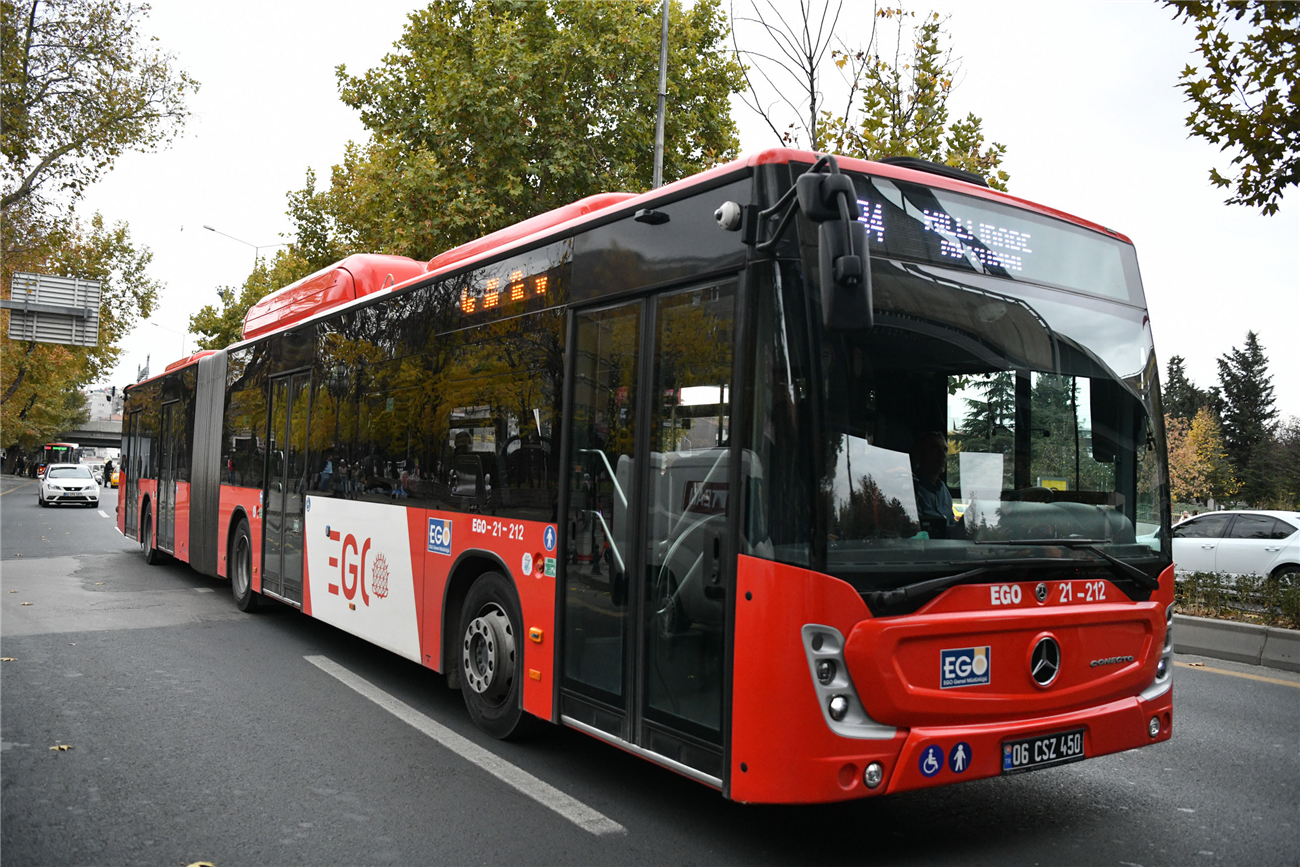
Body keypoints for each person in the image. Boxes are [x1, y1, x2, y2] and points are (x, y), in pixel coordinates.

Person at [912, 431, 958, 536]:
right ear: (920, 455)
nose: (942, 455)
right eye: (935, 449)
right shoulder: (913, 488)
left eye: (945, 450)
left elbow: (951, 522)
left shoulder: (943, 489)